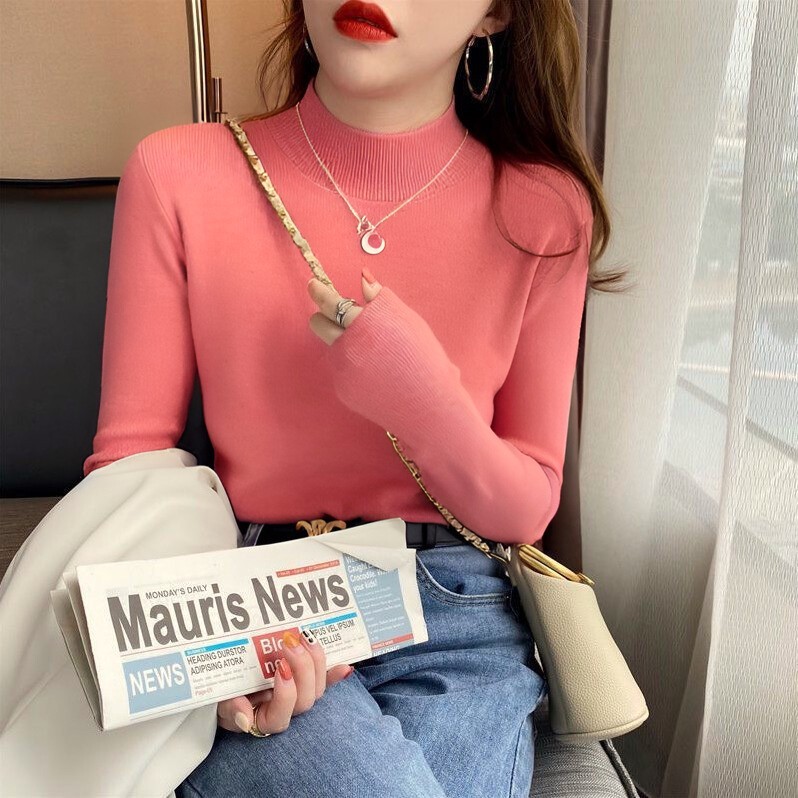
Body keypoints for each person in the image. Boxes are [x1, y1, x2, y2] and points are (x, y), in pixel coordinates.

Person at [83, 1, 612, 795]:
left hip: (456, 617)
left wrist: (421, 396)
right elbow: (130, 470)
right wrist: (196, 661)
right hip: (257, 607)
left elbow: (527, 506)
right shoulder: (180, 172)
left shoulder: (542, 207)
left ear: (497, 12)